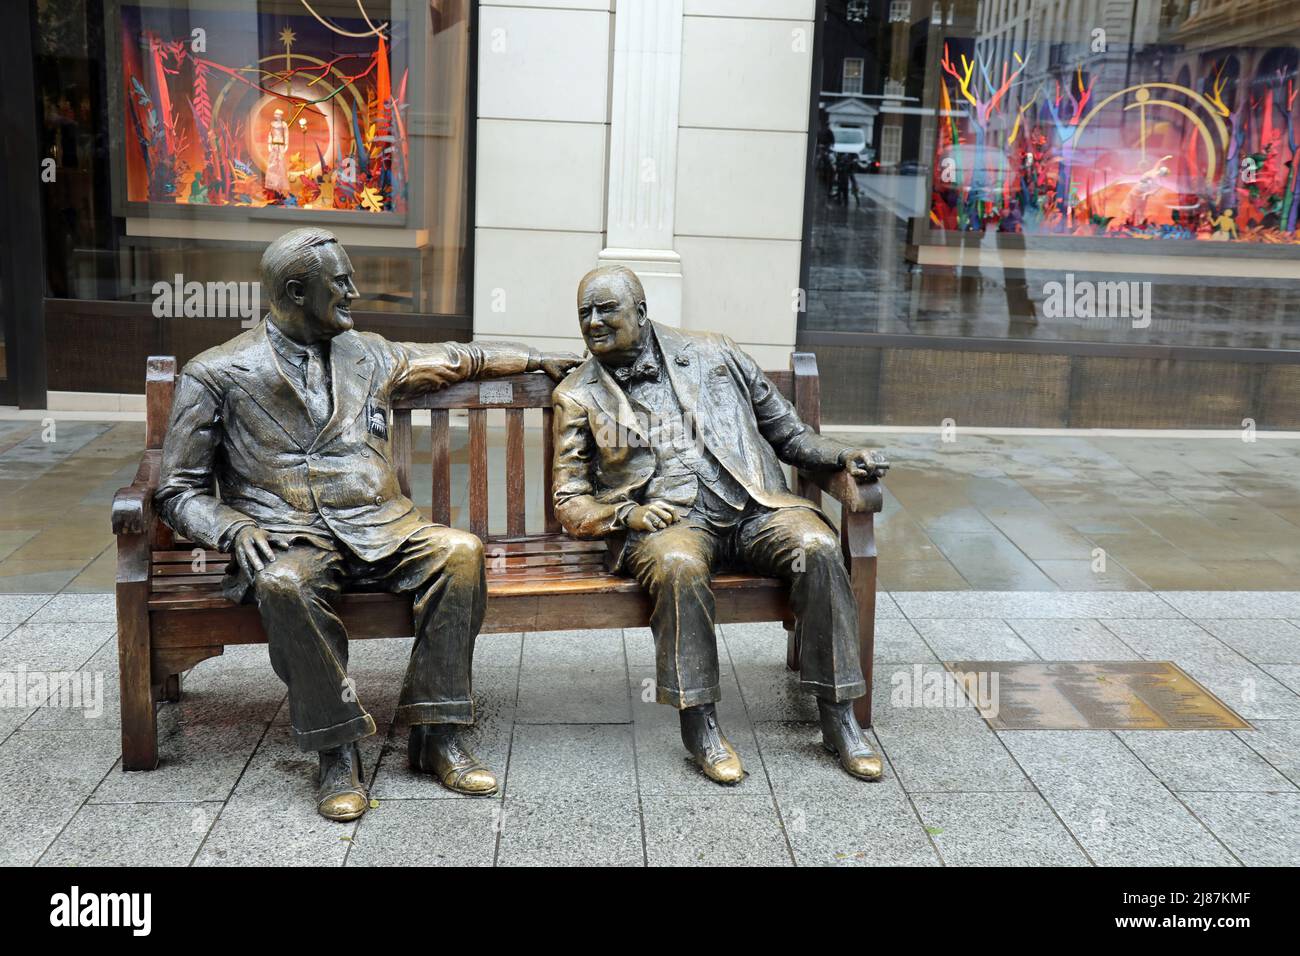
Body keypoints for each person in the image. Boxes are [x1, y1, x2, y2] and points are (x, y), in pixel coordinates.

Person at [155, 228, 580, 820]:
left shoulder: (368, 351)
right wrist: (230, 528)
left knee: (460, 552)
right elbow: (176, 490)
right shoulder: (219, 372)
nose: (355, 292)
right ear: (297, 292)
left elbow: (461, 358)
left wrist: (539, 360)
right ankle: (335, 749)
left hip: (384, 526)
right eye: (342, 283)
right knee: (284, 584)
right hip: (290, 534)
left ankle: (437, 734)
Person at [551, 265, 890, 785]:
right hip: (669, 522)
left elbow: (791, 436)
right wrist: (626, 514)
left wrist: (846, 455)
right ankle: (701, 724)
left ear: (641, 314)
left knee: (818, 545)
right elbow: (569, 498)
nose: (593, 322)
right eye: (584, 314)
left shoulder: (715, 352)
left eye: (606, 310)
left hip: (753, 509)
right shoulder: (577, 394)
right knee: (680, 564)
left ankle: (839, 716)